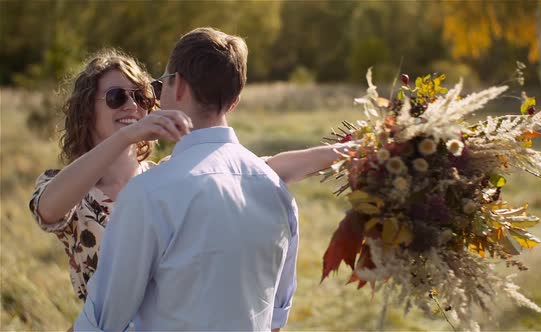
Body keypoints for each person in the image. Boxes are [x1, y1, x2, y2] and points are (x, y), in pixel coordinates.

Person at [29, 48, 343, 303]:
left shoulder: (165, 176)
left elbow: (262, 169)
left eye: (141, 96)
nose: (133, 106)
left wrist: (346, 153)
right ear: (87, 109)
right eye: (116, 97)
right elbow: (48, 210)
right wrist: (126, 137)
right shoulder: (68, 186)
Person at [72, 26, 298, 330]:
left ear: (178, 86)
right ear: (234, 101)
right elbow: (275, 318)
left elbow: (105, 319)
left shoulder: (149, 193)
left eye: (161, 82)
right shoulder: (277, 192)